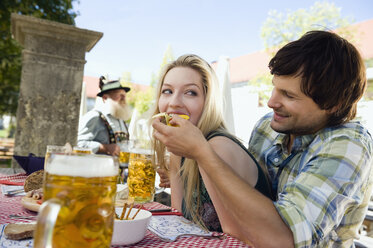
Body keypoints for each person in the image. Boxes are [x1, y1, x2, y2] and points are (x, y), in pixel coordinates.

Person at [152, 31, 373, 247]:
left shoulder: (349, 145)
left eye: (289, 95)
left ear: (332, 106)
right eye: (275, 88)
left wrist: (201, 153)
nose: (271, 102)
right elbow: (244, 192)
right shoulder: (268, 127)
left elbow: (281, 240)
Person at [152, 54, 272, 242]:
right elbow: (179, 222)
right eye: (167, 91)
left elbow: (233, 237)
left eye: (191, 92)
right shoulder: (177, 152)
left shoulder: (217, 147)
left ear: (208, 101)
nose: (174, 102)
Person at [77, 76, 131, 156]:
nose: (123, 98)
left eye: (124, 95)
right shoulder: (94, 116)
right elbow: (79, 143)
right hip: (98, 167)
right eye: (119, 94)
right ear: (105, 98)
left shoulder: (121, 119)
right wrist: (105, 147)